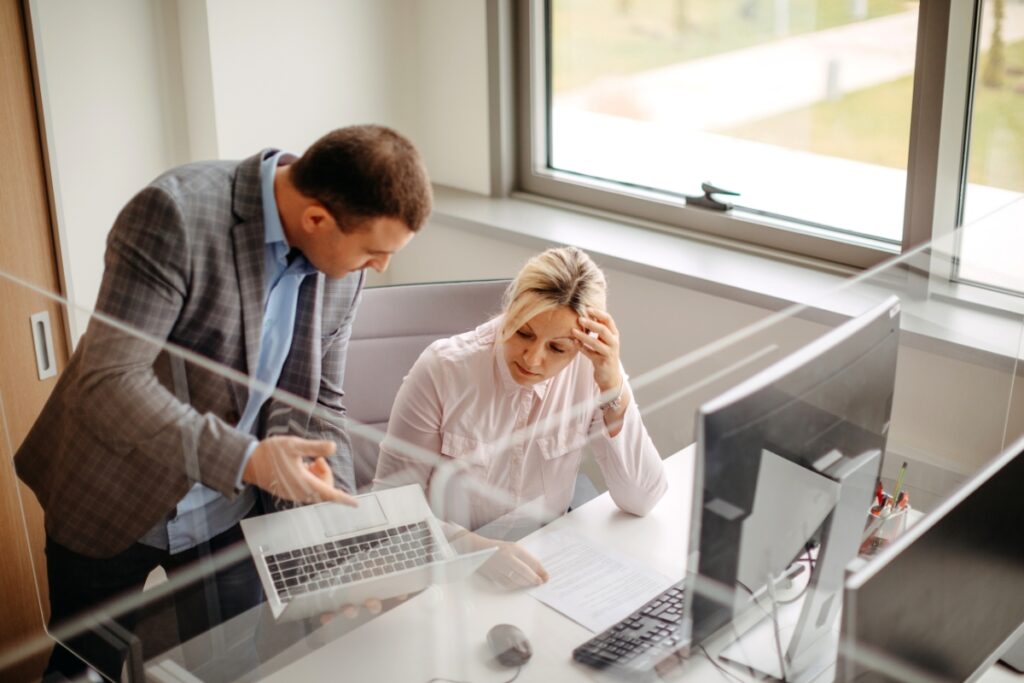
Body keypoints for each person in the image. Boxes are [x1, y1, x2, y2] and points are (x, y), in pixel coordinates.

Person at [14, 124, 432, 680]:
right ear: (316, 219)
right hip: (110, 490)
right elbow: (110, 380)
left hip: (227, 512)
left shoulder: (342, 265)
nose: (379, 268)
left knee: (227, 665)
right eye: (374, 253)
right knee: (84, 665)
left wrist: (339, 528)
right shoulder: (175, 216)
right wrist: (248, 459)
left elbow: (321, 400)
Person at [373, 246, 667, 587]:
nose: (533, 359)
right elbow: (390, 509)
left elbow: (641, 499)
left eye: (557, 348)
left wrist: (612, 388)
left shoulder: (592, 368)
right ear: (509, 310)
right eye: (523, 333)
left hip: (548, 565)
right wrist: (476, 551)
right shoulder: (443, 369)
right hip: (450, 569)